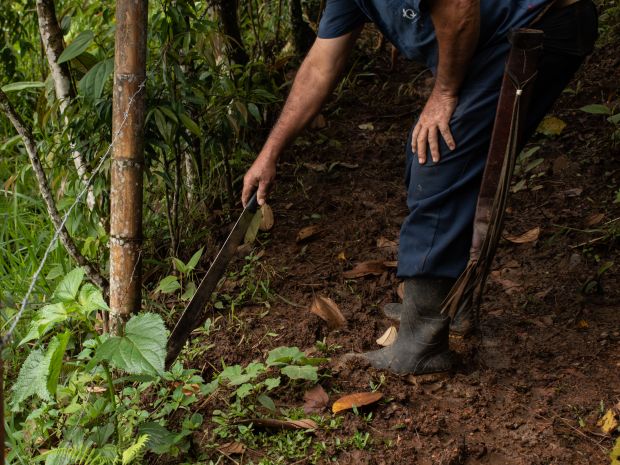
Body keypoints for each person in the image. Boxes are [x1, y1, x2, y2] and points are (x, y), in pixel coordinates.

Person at [241, 0, 598, 375]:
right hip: (491, 37)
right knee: (424, 149)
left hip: (540, 23)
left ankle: (422, 342)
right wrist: (270, 153)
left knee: (441, 154)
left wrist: (444, 93)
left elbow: (459, 8)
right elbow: (319, 65)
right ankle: (448, 302)